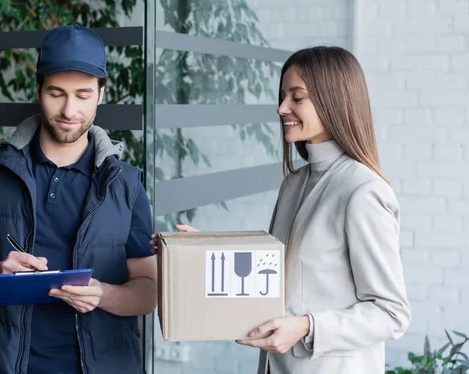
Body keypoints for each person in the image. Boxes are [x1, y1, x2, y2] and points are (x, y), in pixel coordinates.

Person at [151, 46, 411, 374]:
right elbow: (274, 276)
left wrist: (306, 326)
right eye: (282, 95)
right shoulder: (294, 184)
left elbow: (391, 313)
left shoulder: (361, 190)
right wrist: (203, 252)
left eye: (296, 97)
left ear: (334, 100)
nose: (281, 108)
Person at [0, 24, 157, 374]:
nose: (69, 110)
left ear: (101, 94)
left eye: (83, 95)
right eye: (56, 93)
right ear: (38, 89)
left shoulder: (127, 184)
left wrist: (104, 295)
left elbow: (149, 291)